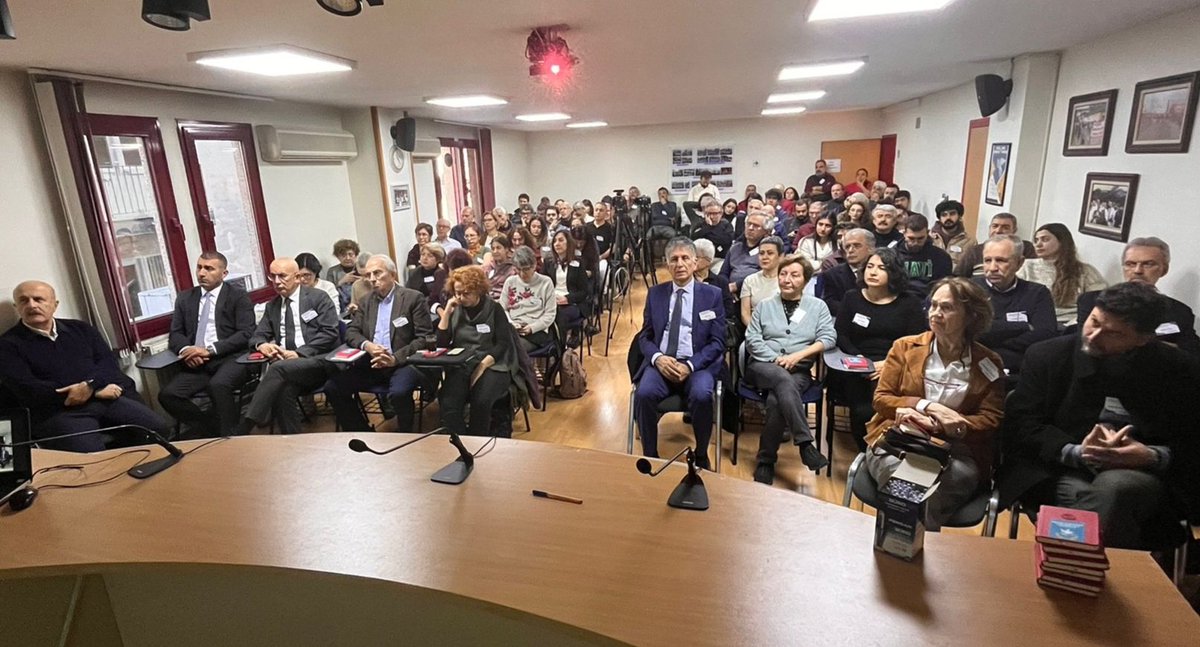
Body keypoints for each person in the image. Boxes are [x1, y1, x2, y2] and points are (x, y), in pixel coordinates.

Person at [999, 282, 1200, 549]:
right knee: (1105, 499)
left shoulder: (1178, 369)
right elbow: (1021, 424)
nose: (1093, 336)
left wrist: (1151, 456)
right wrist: (1077, 451)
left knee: (1114, 488)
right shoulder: (1048, 355)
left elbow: (1192, 438)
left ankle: (1067, 566)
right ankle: (1102, 568)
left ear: (1143, 338)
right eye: (1094, 321)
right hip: (1060, 467)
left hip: (1141, 472)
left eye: (1113, 333)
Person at [864, 278, 1006, 530]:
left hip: (957, 450)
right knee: (904, 484)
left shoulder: (988, 362)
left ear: (971, 316)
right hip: (899, 440)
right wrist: (925, 406)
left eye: (947, 308)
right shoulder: (905, 348)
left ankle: (899, 544)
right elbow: (881, 399)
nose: (935, 313)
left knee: (932, 492)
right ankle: (910, 545)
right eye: (933, 305)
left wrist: (955, 426)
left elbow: (991, 418)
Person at [0, 281, 171, 452]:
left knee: (158, 429)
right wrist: (92, 391)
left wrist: (90, 386)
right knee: (92, 457)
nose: (31, 305)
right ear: (17, 307)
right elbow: (27, 389)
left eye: (38, 299)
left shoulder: (81, 329)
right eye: (24, 300)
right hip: (58, 411)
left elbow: (108, 364)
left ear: (54, 304)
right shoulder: (7, 345)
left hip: (103, 400)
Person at [633, 238, 726, 469]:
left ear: (695, 263)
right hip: (662, 362)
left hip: (697, 364)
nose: (680, 263)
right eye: (674, 259)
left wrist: (690, 365)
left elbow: (717, 342)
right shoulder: (655, 294)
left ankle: (701, 453)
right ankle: (651, 456)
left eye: (685, 258)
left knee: (702, 395)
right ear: (667, 264)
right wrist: (658, 358)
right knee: (643, 393)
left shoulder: (712, 295)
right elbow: (644, 336)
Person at [746, 256, 836, 483]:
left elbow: (828, 337)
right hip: (763, 366)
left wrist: (799, 356)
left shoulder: (817, 306)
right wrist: (776, 359)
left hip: (799, 370)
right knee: (781, 377)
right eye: (783, 274)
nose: (787, 279)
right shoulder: (765, 305)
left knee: (776, 401)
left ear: (805, 280)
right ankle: (805, 443)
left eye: (794, 275)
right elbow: (752, 339)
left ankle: (766, 461)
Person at [324, 255, 434, 433]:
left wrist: (394, 359)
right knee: (333, 387)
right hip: (372, 362)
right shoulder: (366, 301)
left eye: (377, 273)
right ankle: (362, 432)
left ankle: (406, 435)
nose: (372, 279)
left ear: (392, 273)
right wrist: (367, 345)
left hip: (402, 362)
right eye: (368, 275)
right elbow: (352, 332)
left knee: (399, 392)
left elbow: (424, 338)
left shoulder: (412, 298)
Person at [834, 248, 926, 451]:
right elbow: (841, 334)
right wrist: (860, 360)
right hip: (858, 364)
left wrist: (888, 364)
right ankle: (867, 453)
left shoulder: (909, 302)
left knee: (887, 406)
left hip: (897, 365)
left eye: (881, 268)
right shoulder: (852, 298)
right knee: (862, 410)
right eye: (870, 266)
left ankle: (888, 451)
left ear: (894, 273)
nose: (873, 272)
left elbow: (917, 342)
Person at [237, 258, 340, 435]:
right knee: (282, 390)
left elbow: (329, 333)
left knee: (277, 369)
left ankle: (247, 425)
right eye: (273, 277)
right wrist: (262, 345)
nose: (277, 282)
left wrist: (299, 353)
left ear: (297, 277)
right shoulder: (273, 306)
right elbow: (257, 336)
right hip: (289, 368)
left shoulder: (318, 298)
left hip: (318, 361)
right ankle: (291, 439)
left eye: (282, 276)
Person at [158, 252, 254, 438]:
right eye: (199, 267)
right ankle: (210, 427)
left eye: (209, 269)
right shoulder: (185, 298)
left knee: (218, 385)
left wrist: (209, 350)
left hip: (229, 357)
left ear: (224, 273)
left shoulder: (238, 296)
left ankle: (230, 437)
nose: (202, 273)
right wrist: (187, 351)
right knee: (168, 395)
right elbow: (176, 333)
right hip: (197, 362)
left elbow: (246, 333)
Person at [436, 265, 525, 437]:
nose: (461, 298)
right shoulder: (456, 308)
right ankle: (460, 440)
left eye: (466, 293)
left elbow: (503, 344)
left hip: (493, 363)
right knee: (448, 401)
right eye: (457, 293)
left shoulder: (494, 309)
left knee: (481, 401)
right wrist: (446, 312)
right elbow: (442, 343)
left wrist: (482, 367)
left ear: (478, 290)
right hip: (463, 363)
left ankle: (477, 440)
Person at [1076, 237, 1198, 356]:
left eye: (1148, 264)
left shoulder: (1180, 312)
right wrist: (1165, 347)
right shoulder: (1092, 301)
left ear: (1164, 270)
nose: (1137, 271)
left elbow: (1191, 353)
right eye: (1130, 264)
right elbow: (1088, 342)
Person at [973, 235, 1057, 376]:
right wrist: (1023, 327)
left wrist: (994, 337)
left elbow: (1046, 335)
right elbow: (972, 330)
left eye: (1001, 260)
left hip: (1022, 368)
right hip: (976, 364)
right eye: (987, 260)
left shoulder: (1037, 293)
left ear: (1019, 262)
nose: (992, 268)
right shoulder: (970, 289)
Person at [1016, 223, 1106, 327]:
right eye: (1036, 240)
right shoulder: (1027, 266)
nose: (1038, 244)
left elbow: (1099, 303)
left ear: (1062, 242)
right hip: (1035, 321)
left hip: (1070, 324)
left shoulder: (1085, 271)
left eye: (1045, 239)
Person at [501, 247, 557, 354]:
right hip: (513, 327)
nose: (522, 274)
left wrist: (532, 328)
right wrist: (511, 323)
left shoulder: (545, 282)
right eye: (518, 269)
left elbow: (550, 314)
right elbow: (502, 309)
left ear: (534, 266)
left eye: (526, 269)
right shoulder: (510, 281)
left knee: (512, 349)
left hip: (536, 330)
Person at [541, 230, 591, 344]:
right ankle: (547, 345)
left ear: (568, 243)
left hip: (572, 303)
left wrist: (567, 298)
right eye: (555, 241)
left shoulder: (578, 263)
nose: (557, 244)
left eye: (560, 240)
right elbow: (542, 285)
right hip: (551, 301)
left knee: (559, 316)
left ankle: (561, 348)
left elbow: (584, 291)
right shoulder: (548, 262)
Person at [953, 212, 1035, 277]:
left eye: (1005, 227)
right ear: (989, 228)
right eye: (995, 226)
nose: (998, 231)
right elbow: (957, 277)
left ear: (1014, 230)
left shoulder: (1025, 248)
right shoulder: (975, 251)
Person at [818, 228, 875, 317]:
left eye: (857, 246)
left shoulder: (881, 272)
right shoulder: (832, 274)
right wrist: (856, 311)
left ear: (871, 249)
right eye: (847, 247)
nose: (851, 250)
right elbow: (829, 303)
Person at [897, 214, 953, 297]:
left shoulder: (941, 257)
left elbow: (943, 286)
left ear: (927, 233)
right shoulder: (893, 255)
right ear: (904, 233)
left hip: (929, 299)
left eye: (920, 238)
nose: (915, 243)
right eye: (911, 238)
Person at [717, 211, 770, 295]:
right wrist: (726, 287)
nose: (750, 228)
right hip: (729, 292)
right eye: (749, 224)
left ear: (766, 232)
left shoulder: (767, 252)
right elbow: (723, 273)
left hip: (754, 292)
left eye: (756, 226)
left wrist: (736, 286)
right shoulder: (735, 247)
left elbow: (763, 274)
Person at [739, 236, 784, 327]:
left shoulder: (786, 280)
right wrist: (756, 331)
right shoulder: (749, 280)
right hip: (755, 328)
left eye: (770, 253)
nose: (764, 257)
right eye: (761, 253)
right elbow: (745, 314)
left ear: (781, 256)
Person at [930, 199, 977, 267]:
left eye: (952, 214)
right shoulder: (929, 238)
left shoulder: (970, 242)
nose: (948, 217)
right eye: (944, 215)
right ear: (939, 218)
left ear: (959, 216)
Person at [327, 238, 362, 311]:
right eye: (343, 255)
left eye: (350, 254)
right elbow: (328, 294)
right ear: (338, 257)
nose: (347, 258)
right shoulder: (332, 271)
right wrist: (341, 282)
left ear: (356, 255)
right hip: (342, 308)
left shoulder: (362, 267)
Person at [648, 187, 681, 256]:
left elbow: (672, 214)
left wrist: (665, 204)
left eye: (664, 193)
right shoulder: (654, 205)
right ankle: (649, 257)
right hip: (655, 227)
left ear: (667, 195)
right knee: (647, 236)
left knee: (674, 235)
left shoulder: (672, 204)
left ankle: (671, 255)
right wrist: (668, 218)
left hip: (667, 227)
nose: (662, 195)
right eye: (660, 194)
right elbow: (655, 216)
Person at [484, 235, 518, 300]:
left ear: (506, 249)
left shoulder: (514, 268)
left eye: (498, 248)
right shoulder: (488, 267)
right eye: (493, 249)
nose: (495, 251)